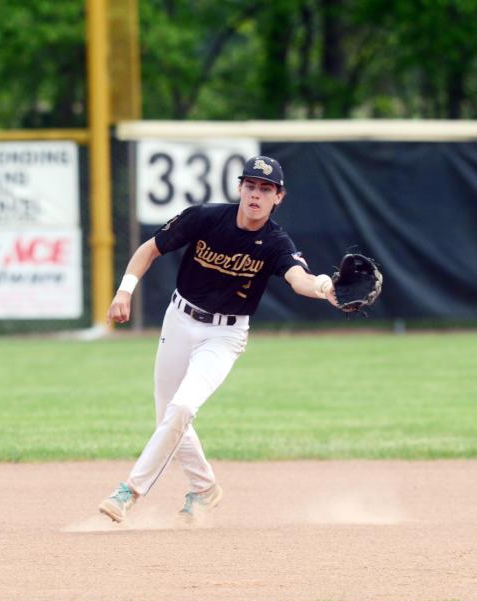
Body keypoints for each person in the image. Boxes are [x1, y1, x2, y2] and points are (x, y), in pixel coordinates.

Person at [99, 155, 339, 523]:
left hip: (224, 334)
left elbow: (297, 277)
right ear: (240, 188)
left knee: (181, 409)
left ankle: (129, 491)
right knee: (168, 414)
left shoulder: (275, 241)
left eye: (266, 189)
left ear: (279, 197)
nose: (256, 194)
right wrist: (124, 290)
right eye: (251, 186)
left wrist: (324, 287)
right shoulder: (205, 218)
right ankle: (204, 489)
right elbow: (149, 249)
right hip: (178, 320)